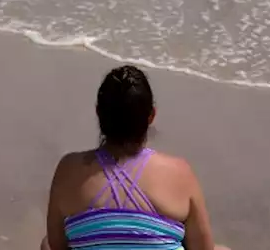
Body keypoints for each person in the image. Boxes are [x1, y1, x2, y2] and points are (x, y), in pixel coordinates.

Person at [42, 66, 229, 250]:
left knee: (46, 244)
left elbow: (56, 244)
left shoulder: (69, 169)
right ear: (151, 116)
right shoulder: (179, 172)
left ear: (99, 113)